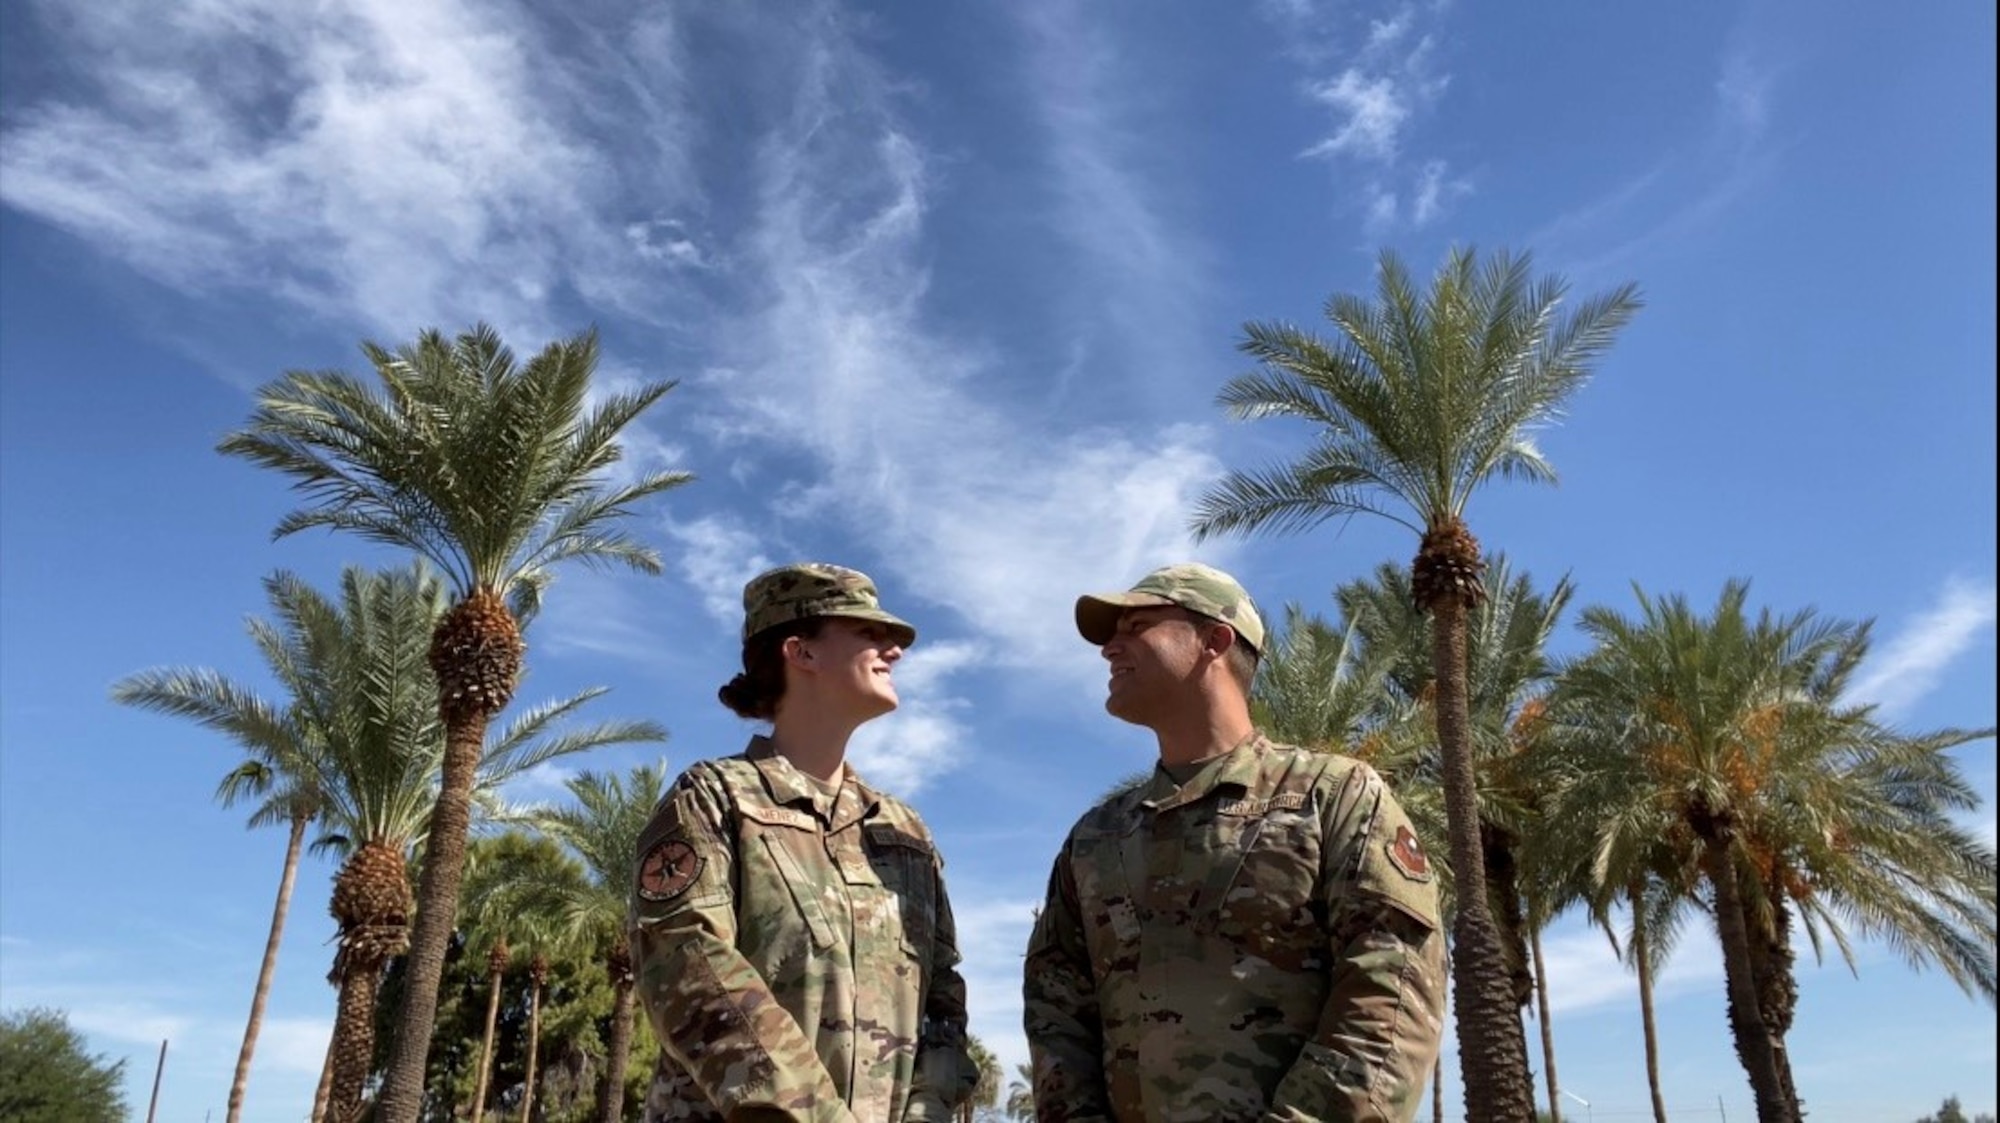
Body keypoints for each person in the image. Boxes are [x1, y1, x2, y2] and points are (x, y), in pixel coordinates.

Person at [1023, 563, 1447, 1122]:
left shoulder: (1334, 795)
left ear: (1214, 640)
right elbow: (1057, 1008)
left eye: (1136, 627)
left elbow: (1393, 990)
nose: (1110, 649)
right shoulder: (1096, 838)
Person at [629, 563, 975, 1122]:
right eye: (869, 632)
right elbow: (687, 966)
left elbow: (943, 1000)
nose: (895, 651)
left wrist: (927, 1111)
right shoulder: (715, 799)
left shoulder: (906, 835)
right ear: (801, 652)